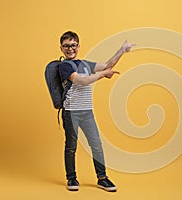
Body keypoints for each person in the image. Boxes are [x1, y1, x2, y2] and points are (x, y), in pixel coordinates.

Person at [58, 31, 135, 192]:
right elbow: (82, 80)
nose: (70, 49)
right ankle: (71, 178)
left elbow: (108, 66)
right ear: (61, 48)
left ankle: (102, 178)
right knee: (71, 146)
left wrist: (122, 51)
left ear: (78, 46)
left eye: (73, 45)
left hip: (87, 112)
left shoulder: (85, 64)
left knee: (96, 145)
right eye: (66, 46)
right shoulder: (64, 66)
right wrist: (102, 75)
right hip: (71, 112)